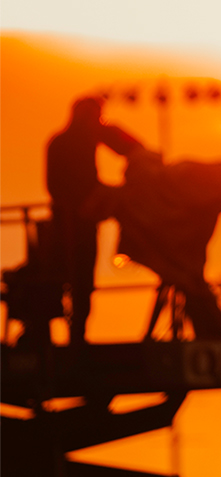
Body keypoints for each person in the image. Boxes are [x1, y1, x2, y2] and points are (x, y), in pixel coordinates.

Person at [45, 95, 145, 346]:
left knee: (84, 281)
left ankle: (79, 333)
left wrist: (109, 131)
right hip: (66, 224)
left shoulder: (92, 138)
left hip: (86, 222)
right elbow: (55, 186)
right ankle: (75, 335)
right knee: (73, 279)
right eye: (92, 115)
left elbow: (133, 149)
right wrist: (80, 204)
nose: (94, 120)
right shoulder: (60, 143)